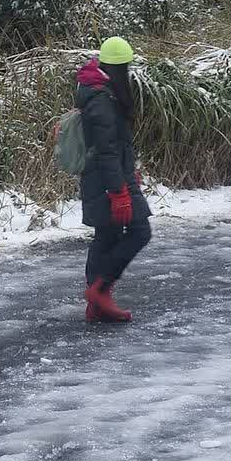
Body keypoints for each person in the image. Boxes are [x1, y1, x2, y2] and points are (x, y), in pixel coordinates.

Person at [76, 36, 151, 323]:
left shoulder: (98, 91)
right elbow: (106, 151)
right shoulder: (102, 101)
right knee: (140, 231)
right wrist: (118, 190)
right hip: (108, 181)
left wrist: (128, 170)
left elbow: (113, 147)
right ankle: (100, 289)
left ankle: (96, 304)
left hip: (108, 177)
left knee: (106, 236)